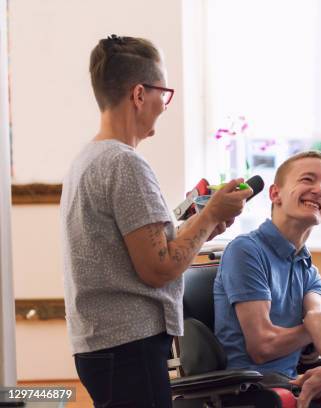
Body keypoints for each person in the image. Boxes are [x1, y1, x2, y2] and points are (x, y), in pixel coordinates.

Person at [59, 35, 252, 407]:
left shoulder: (87, 160)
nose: (165, 105)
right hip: (129, 346)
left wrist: (205, 225)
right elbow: (158, 267)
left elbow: (136, 252)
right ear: (139, 95)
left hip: (101, 344)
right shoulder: (125, 164)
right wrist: (211, 214)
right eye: (164, 93)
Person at [214, 151, 321, 408]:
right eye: (307, 180)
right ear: (275, 194)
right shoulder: (246, 250)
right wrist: (314, 332)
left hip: (291, 383)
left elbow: (320, 315)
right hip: (252, 390)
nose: (319, 190)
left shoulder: (308, 269)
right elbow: (262, 346)